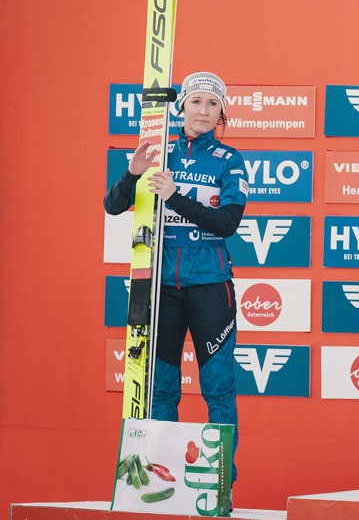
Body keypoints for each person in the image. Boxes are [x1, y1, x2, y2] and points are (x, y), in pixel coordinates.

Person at [105, 71, 248, 478]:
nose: (204, 111)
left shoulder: (229, 159)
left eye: (213, 104)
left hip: (210, 287)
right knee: (162, 388)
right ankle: (161, 476)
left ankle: (221, 483)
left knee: (218, 388)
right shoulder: (158, 152)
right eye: (196, 101)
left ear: (221, 112)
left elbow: (226, 223)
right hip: (161, 287)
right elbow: (112, 206)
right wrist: (132, 174)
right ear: (181, 106)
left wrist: (176, 197)